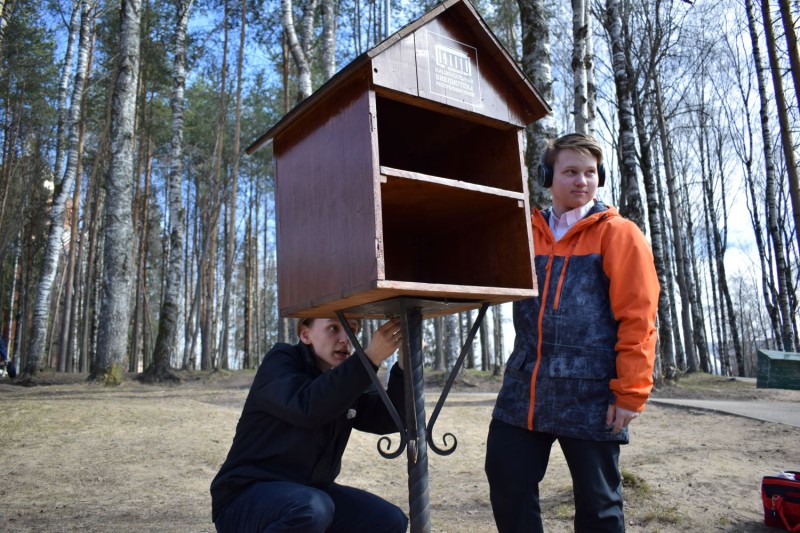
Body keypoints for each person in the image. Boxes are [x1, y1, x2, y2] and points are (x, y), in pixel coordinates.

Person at [485, 133, 660, 533]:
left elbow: (639, 316)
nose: (582, 180)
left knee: (599, 505)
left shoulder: (619, 233)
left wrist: (631, 392)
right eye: (570, 171)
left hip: (591, 392)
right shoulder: (524, 232)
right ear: (548, 176)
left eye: (590, 172)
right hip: (524, 387)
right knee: (506, 478)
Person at [211, 316, 409, 533]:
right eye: (333, 328)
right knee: (311, 508)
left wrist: (404, 366)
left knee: (388, 520)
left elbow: (388, 418)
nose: (346, 339)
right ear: (305, 335)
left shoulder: (349, 373)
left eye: (352, 330)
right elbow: (309, 408)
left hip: (310, 493)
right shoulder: (282, 361)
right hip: (245, 497)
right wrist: (369, 358)